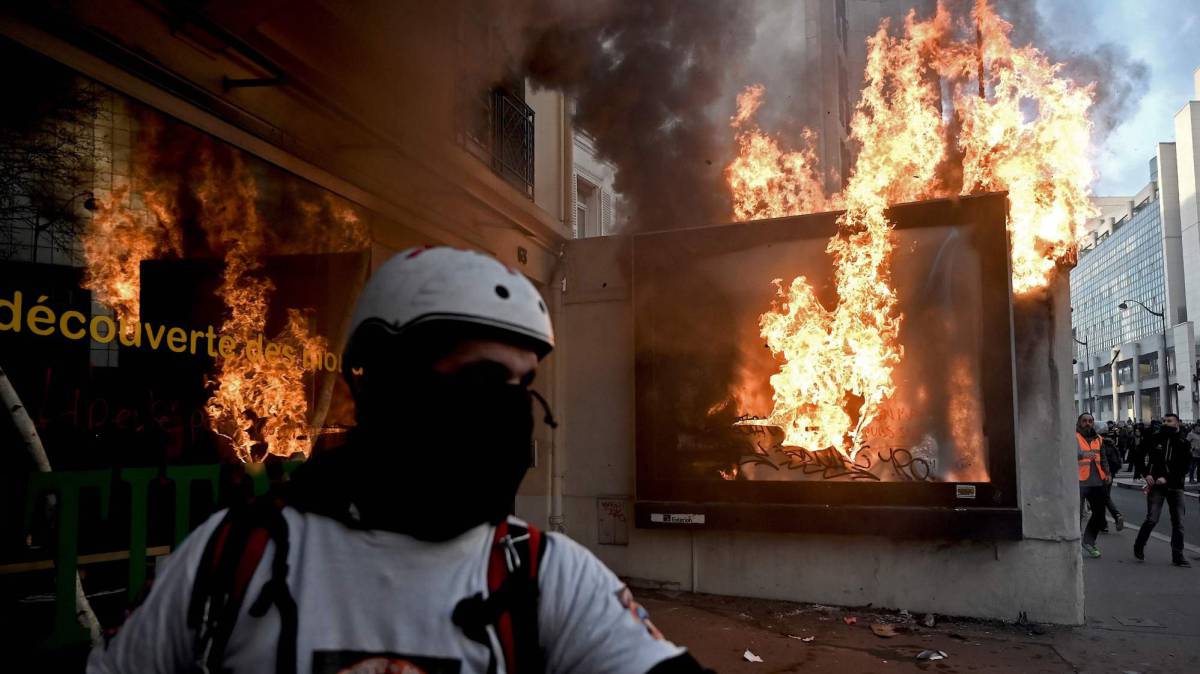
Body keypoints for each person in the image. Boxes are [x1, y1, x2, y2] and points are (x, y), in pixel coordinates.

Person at [88, 247, 710, 673]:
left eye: (524, 385)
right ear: (385, 385)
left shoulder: (547, 578)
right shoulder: (232, 560)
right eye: (483, 378)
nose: (509, 411)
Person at [1133, 413, 1193, 567]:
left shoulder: (1183, 442)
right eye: (1164, 421)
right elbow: (1138, 454)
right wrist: (1146, 474)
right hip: (1156, 486)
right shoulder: (1155, 437)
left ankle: (1177, 555)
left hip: (1175, 486)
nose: (1166, 423)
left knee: (1178, 522)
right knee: (1152, 518)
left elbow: (1184, 467)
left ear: (1177, 422)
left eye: (1169, 421)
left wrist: (1168, 478)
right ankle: (1139, 545)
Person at [1076, 413, 1109, 558]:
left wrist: (1107, 473)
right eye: (1084, 421)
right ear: (1079, 423)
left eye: (1090, 421)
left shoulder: (1099, 438)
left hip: (1097, 481)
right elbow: (1067, 453)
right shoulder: (1073, 437)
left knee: (1100, 514)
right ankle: (1073, 543)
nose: (1087, 423)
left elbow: (1103, 458)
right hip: (1079, 481)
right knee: (1076, 515)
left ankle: (1088, 541)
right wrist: (1083, 454)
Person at [1098, 427, 1125, 533]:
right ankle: (1107, 521)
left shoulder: (1099, 445)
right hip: (1110, 475)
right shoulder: (1112, 445)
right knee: (1105, 497)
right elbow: (1118, 461)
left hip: (1101, 474)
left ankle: (1110, 519)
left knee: (1102, 499)